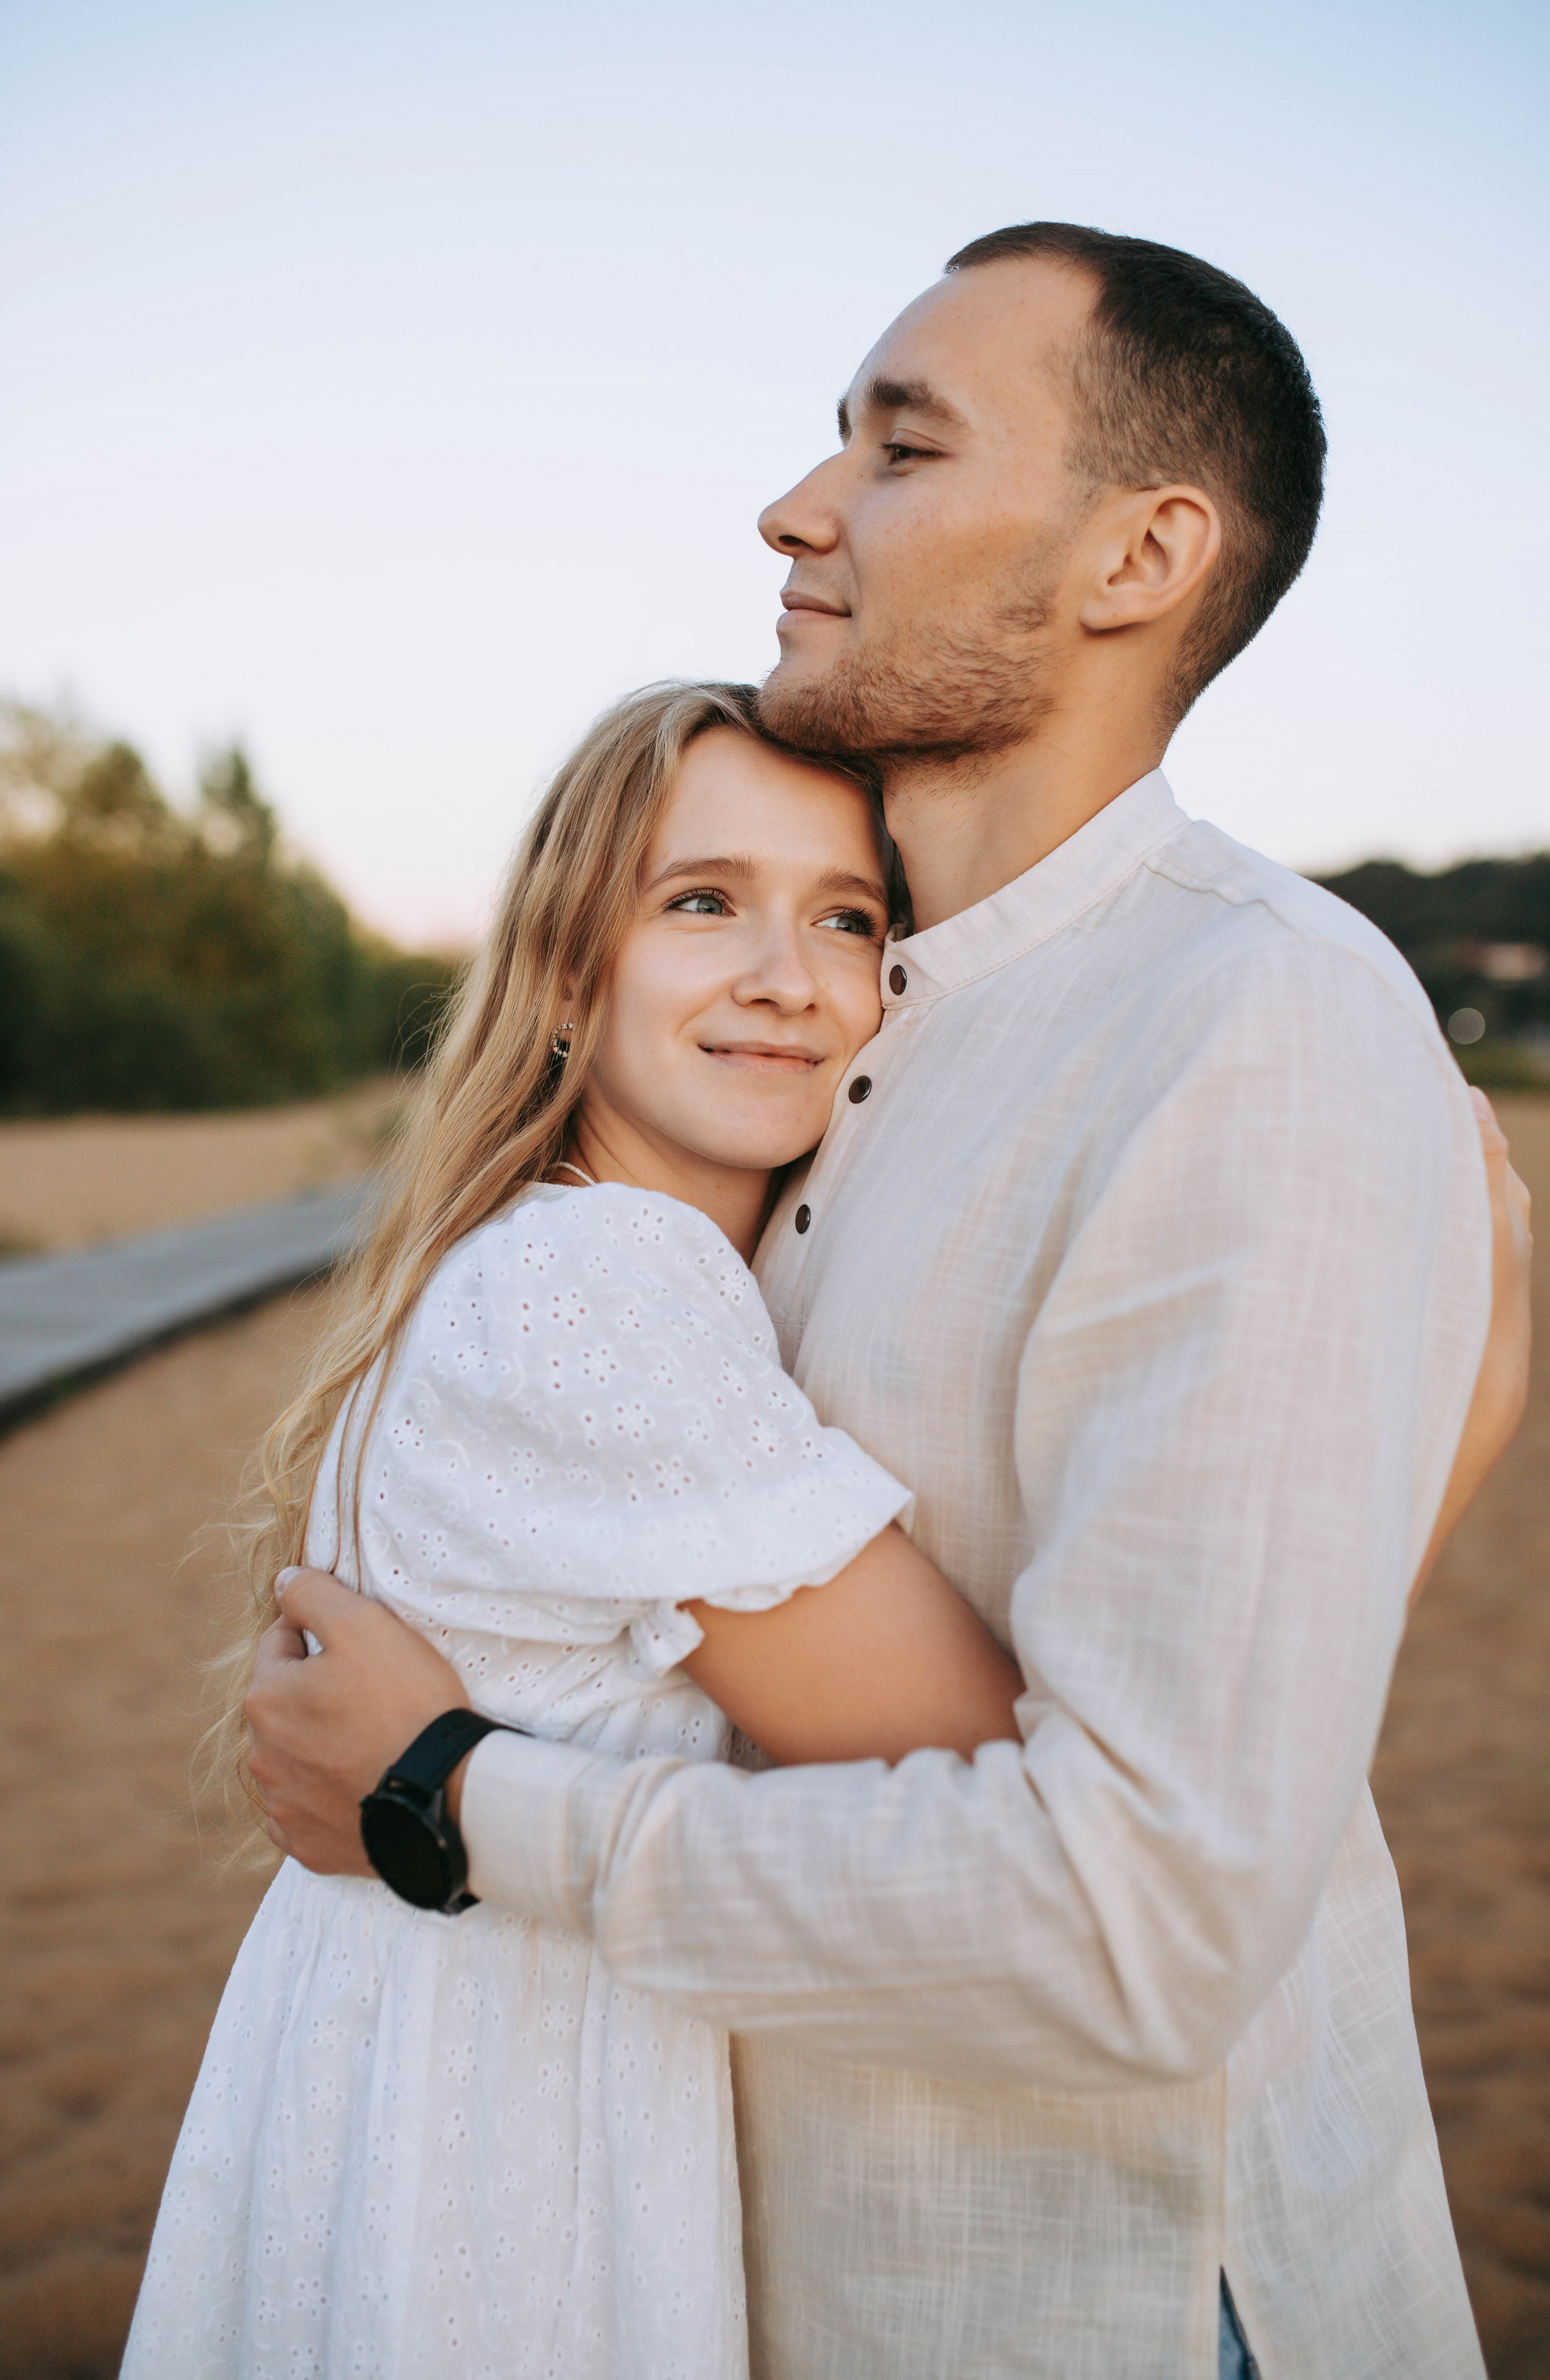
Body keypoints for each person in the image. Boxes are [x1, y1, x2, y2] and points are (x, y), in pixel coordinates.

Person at [244, 226, 1532, 2379]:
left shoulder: (1253, 1025)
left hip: (1096, 2291)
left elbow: (1145, 1905)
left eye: (901, 445)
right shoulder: (844, 1047)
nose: (795, 506)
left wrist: (456, 1799)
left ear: (1141, 554)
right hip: (780, 2263)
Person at [120, 685, 1047, 2379]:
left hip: (410, 2047)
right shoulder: (597, 1280)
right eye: (702, 902)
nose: (789, 974)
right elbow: (1007, 1791)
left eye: (846, 918)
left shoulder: (547, 1258)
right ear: (568, 968)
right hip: (504, 2113)